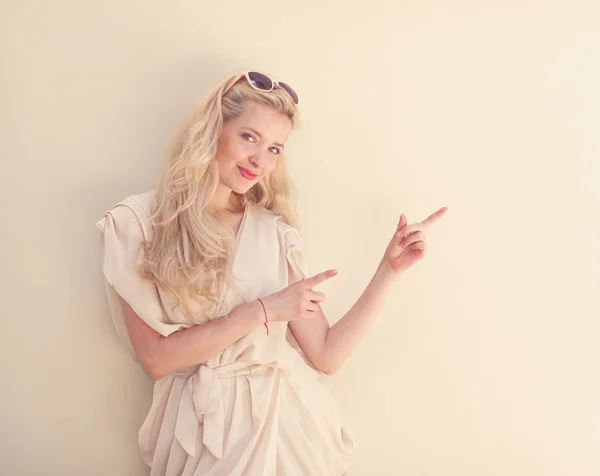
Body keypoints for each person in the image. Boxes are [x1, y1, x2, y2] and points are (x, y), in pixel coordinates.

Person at [95, 70, 447, 476]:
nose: (260, 161)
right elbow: (156, 360)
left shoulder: (273, 232)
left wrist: (390, 269)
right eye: (249, 137)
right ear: (213, 131)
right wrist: (261, 311)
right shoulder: (138, 223)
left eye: (275, 148)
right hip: (202, 432)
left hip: (286, 430)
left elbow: (327, 355)